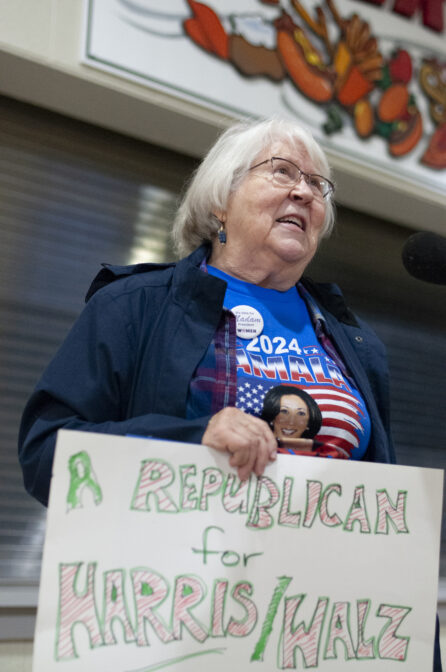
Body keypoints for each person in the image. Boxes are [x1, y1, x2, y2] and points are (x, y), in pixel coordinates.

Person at [18, 116, 442, 670]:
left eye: (318, 186)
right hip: (179, 630)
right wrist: (193, 437)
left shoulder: (355, 345)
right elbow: (48, 451)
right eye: (282, 171)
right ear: (219, 200)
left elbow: (382, 514)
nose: (303, 192)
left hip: (326, 636)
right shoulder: (136, 306)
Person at [260, 384, 322, 452]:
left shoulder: (322, 452)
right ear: (272, 418)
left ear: (308, 423)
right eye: (284, 411)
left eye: (301, 413)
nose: (291, 422)